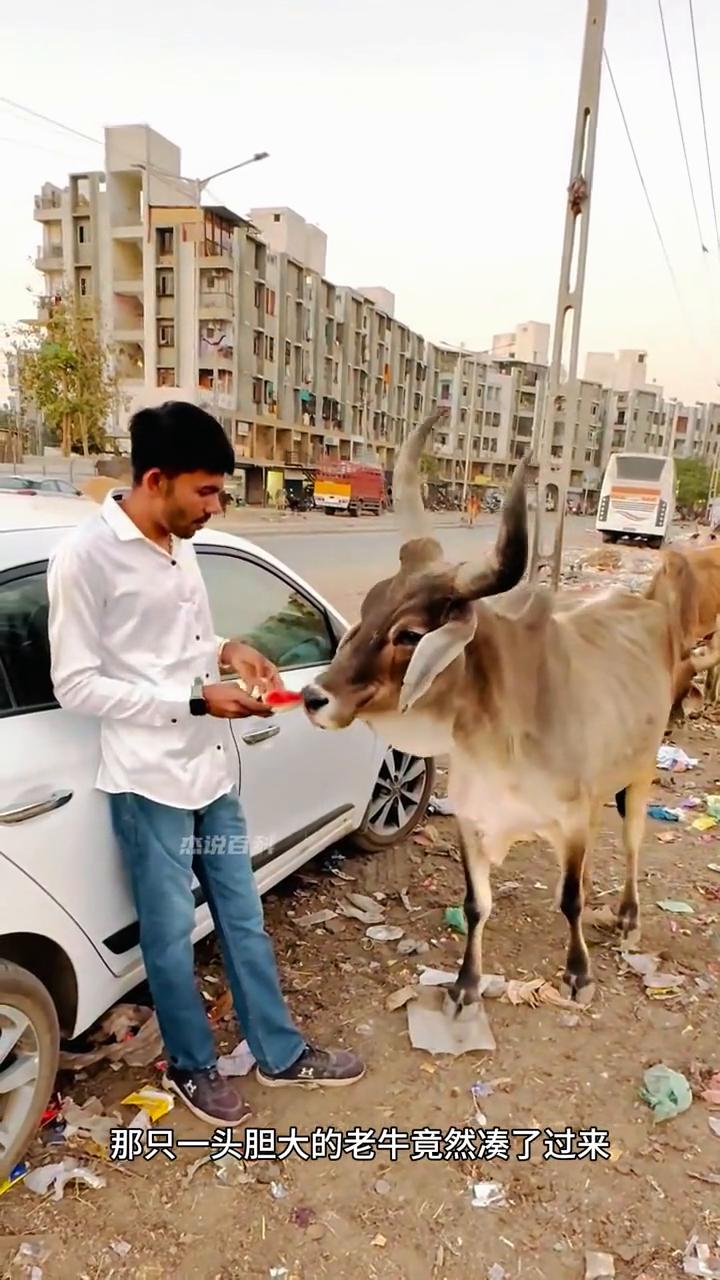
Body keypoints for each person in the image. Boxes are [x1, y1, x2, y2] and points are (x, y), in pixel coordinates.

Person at [46, 401, 364, 1127]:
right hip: (148, 783)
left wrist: (227, 649)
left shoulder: (179, 540)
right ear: (156, 479)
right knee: (167, 934)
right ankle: (191, 1064)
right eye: (206, 492)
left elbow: (178, 635)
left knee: (242, 915)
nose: (216, 508)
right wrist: (194, 698)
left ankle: (278, 1053)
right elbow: (76, 683)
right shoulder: (84, 559)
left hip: (211, 776)